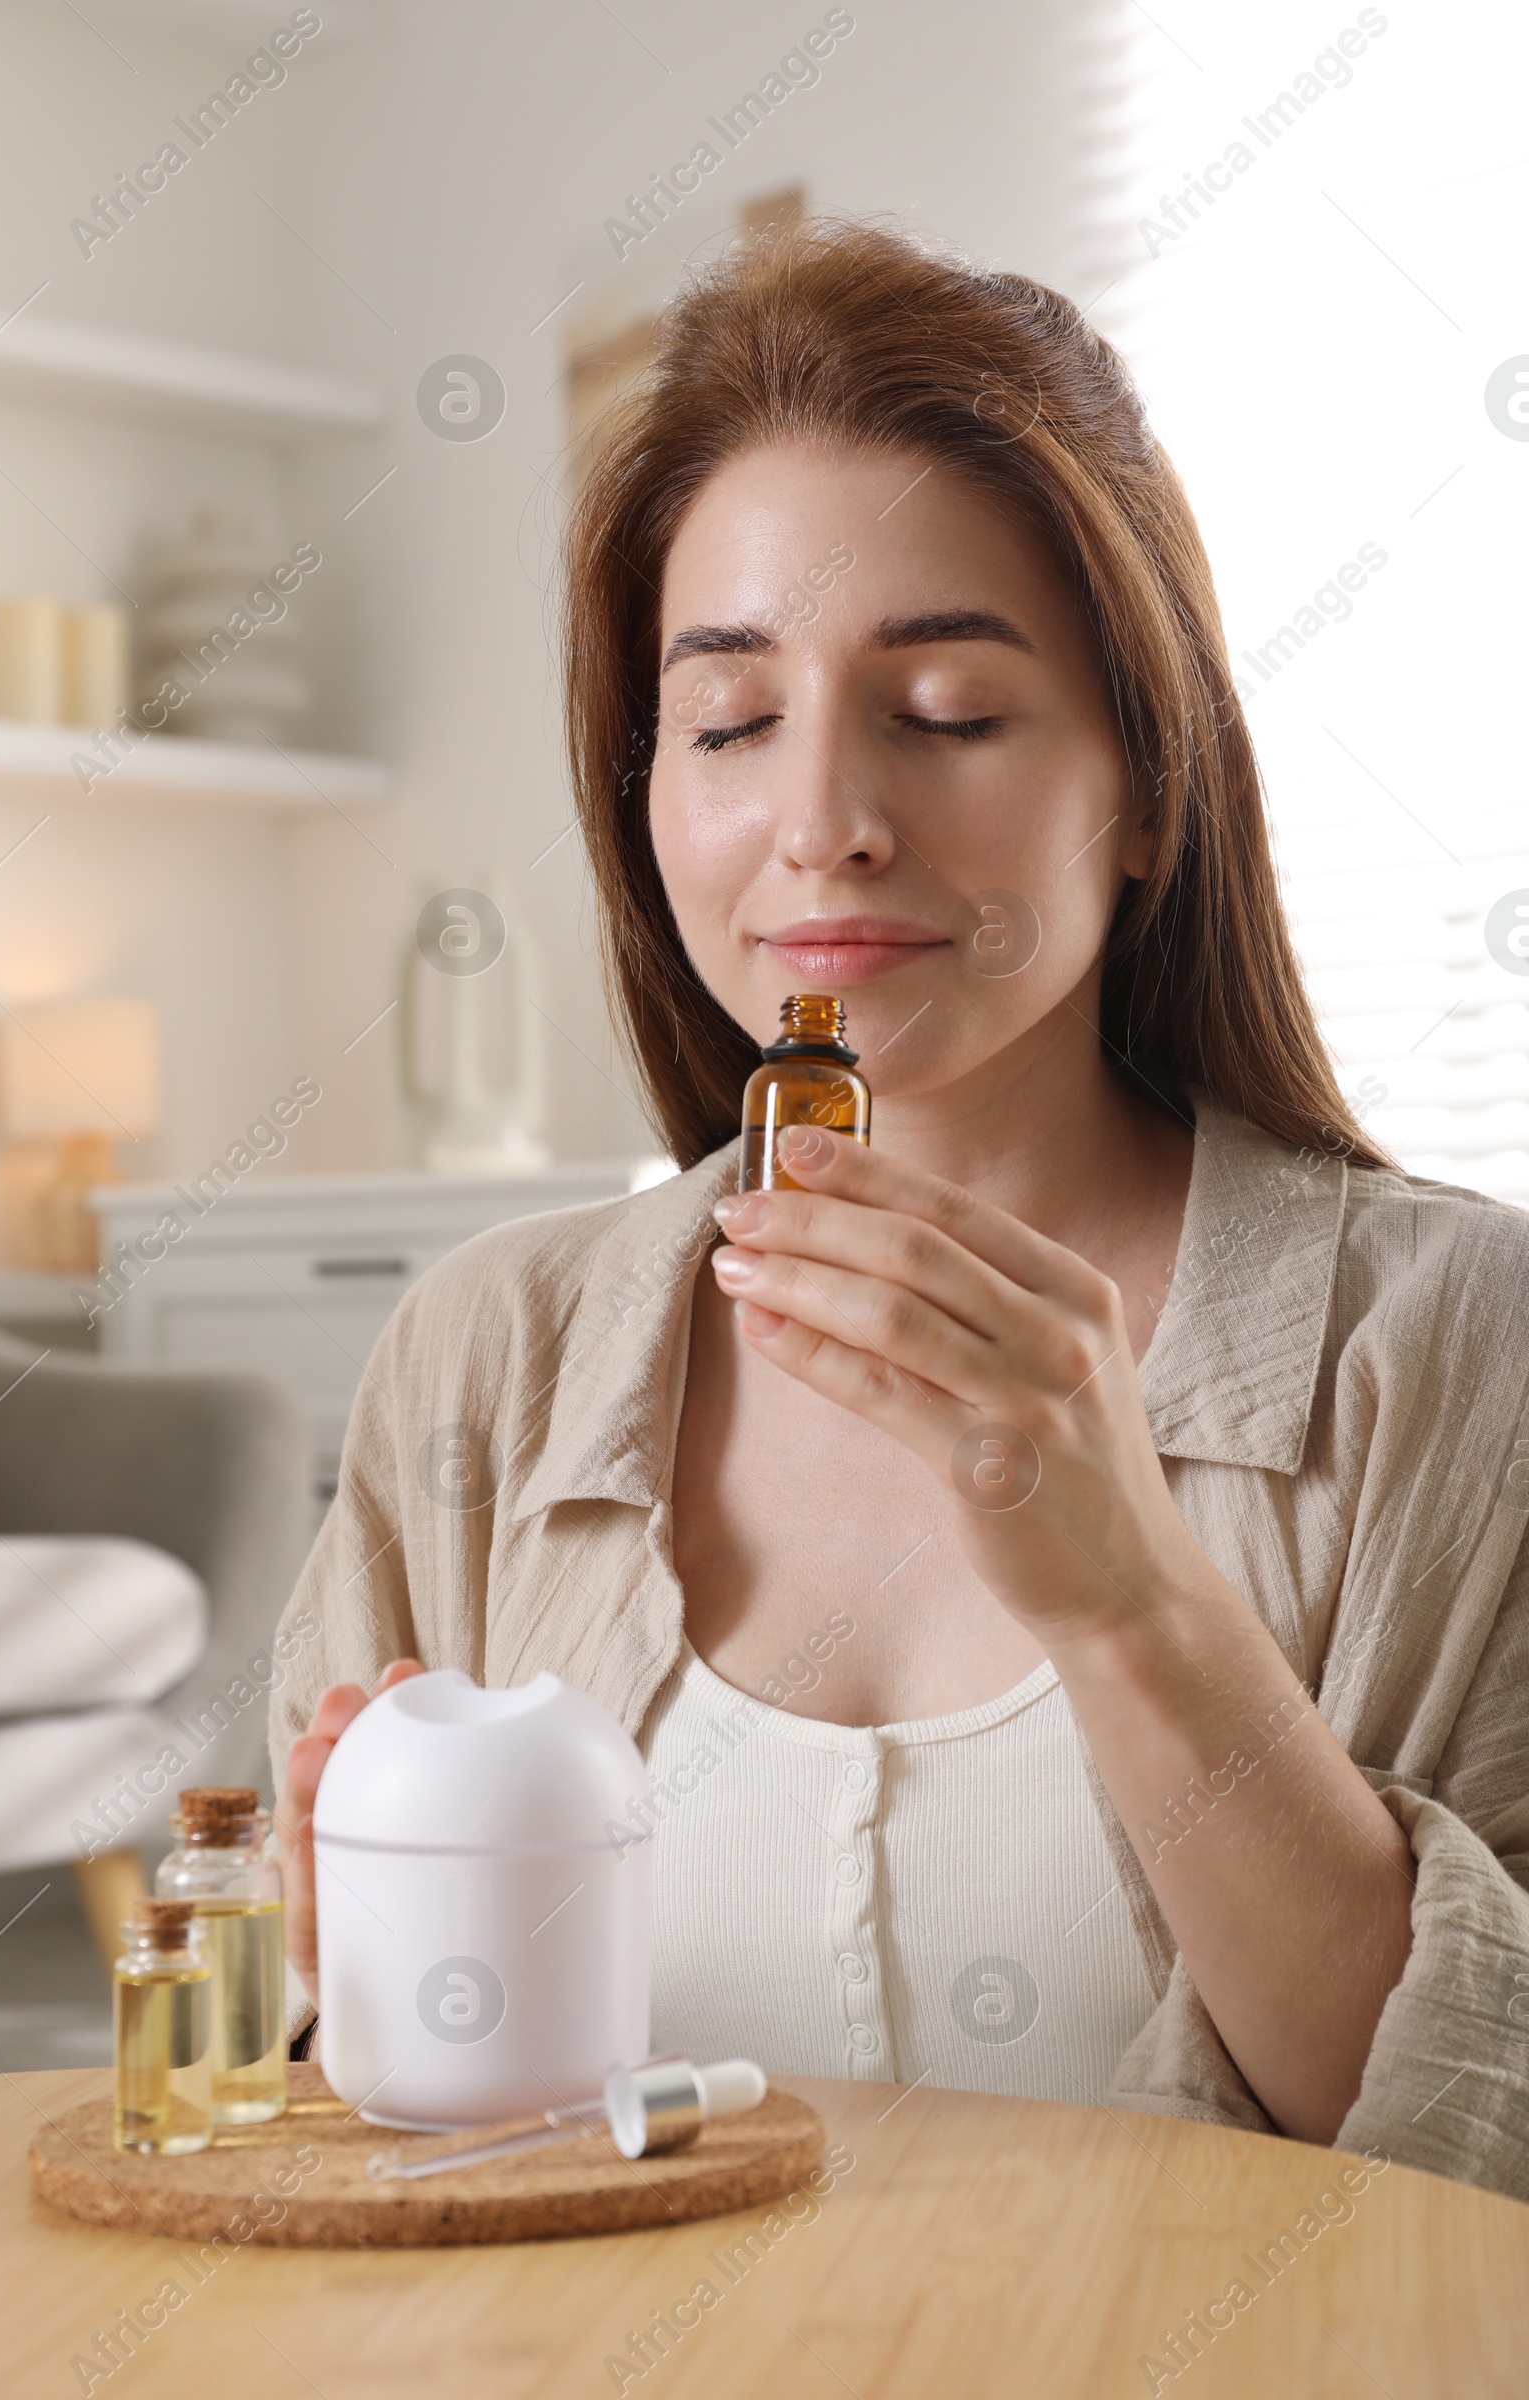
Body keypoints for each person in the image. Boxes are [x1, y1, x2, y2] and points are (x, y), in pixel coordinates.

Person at [269, 218, 1529, 2199]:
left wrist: (1127, 1601)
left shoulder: (1452, 1348)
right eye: (727, 720)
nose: (820, 816)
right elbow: (342, 2153)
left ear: (1147, 779)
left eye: (942, 708)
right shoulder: (489, 1356)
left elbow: (1481, 2162)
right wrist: (358, 1997)